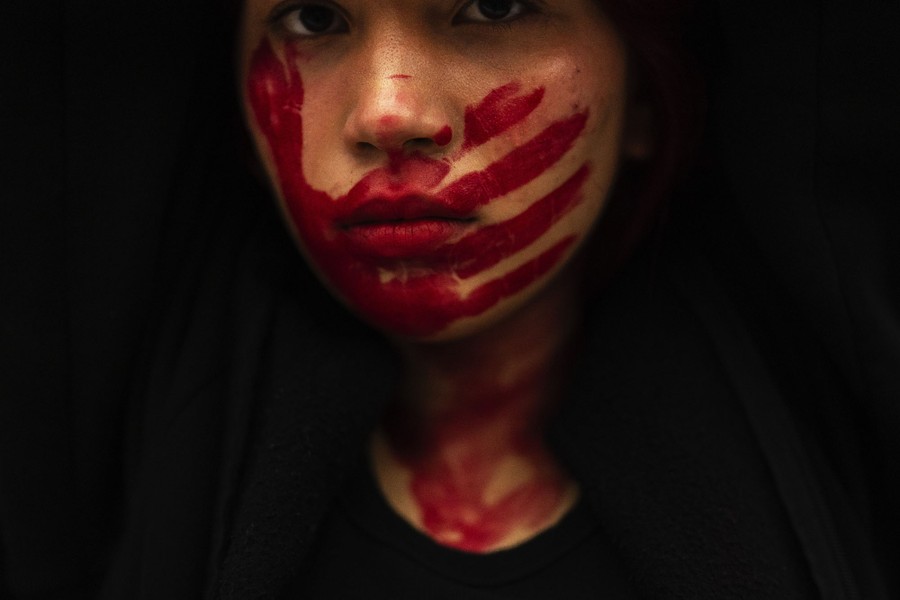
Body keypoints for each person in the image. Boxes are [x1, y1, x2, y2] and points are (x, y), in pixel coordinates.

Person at [1, 0, 897, 598]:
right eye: (314, 17)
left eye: (494, 5)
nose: (391, 113)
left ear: (650, 97)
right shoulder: (130, 480)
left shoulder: (830, 461)